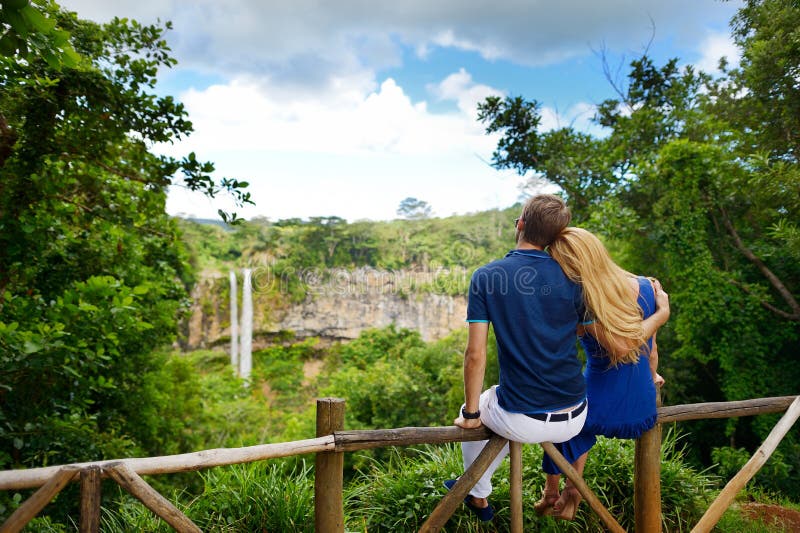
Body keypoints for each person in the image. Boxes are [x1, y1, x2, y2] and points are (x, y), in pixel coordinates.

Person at [446, 194, 588, 522]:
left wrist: (470, 414)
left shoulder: (488, 276)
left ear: (520, 225)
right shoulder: (574, 277)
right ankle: (476, 485)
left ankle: (477, 494)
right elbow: (581, 332)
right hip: (576, 413)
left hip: (526, 419)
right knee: (503, 410)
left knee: (478, 408)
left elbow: (475, 355)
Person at [533, 227, 669, 521]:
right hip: (643, 407)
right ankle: (573, 490)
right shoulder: (647, 286)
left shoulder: (584, 300)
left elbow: (620, 348)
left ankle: (553, 491)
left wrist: (662, 315)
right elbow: (651, 349)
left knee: (563, 420)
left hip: (603, 408)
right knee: (578, 414)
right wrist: (652, 374)